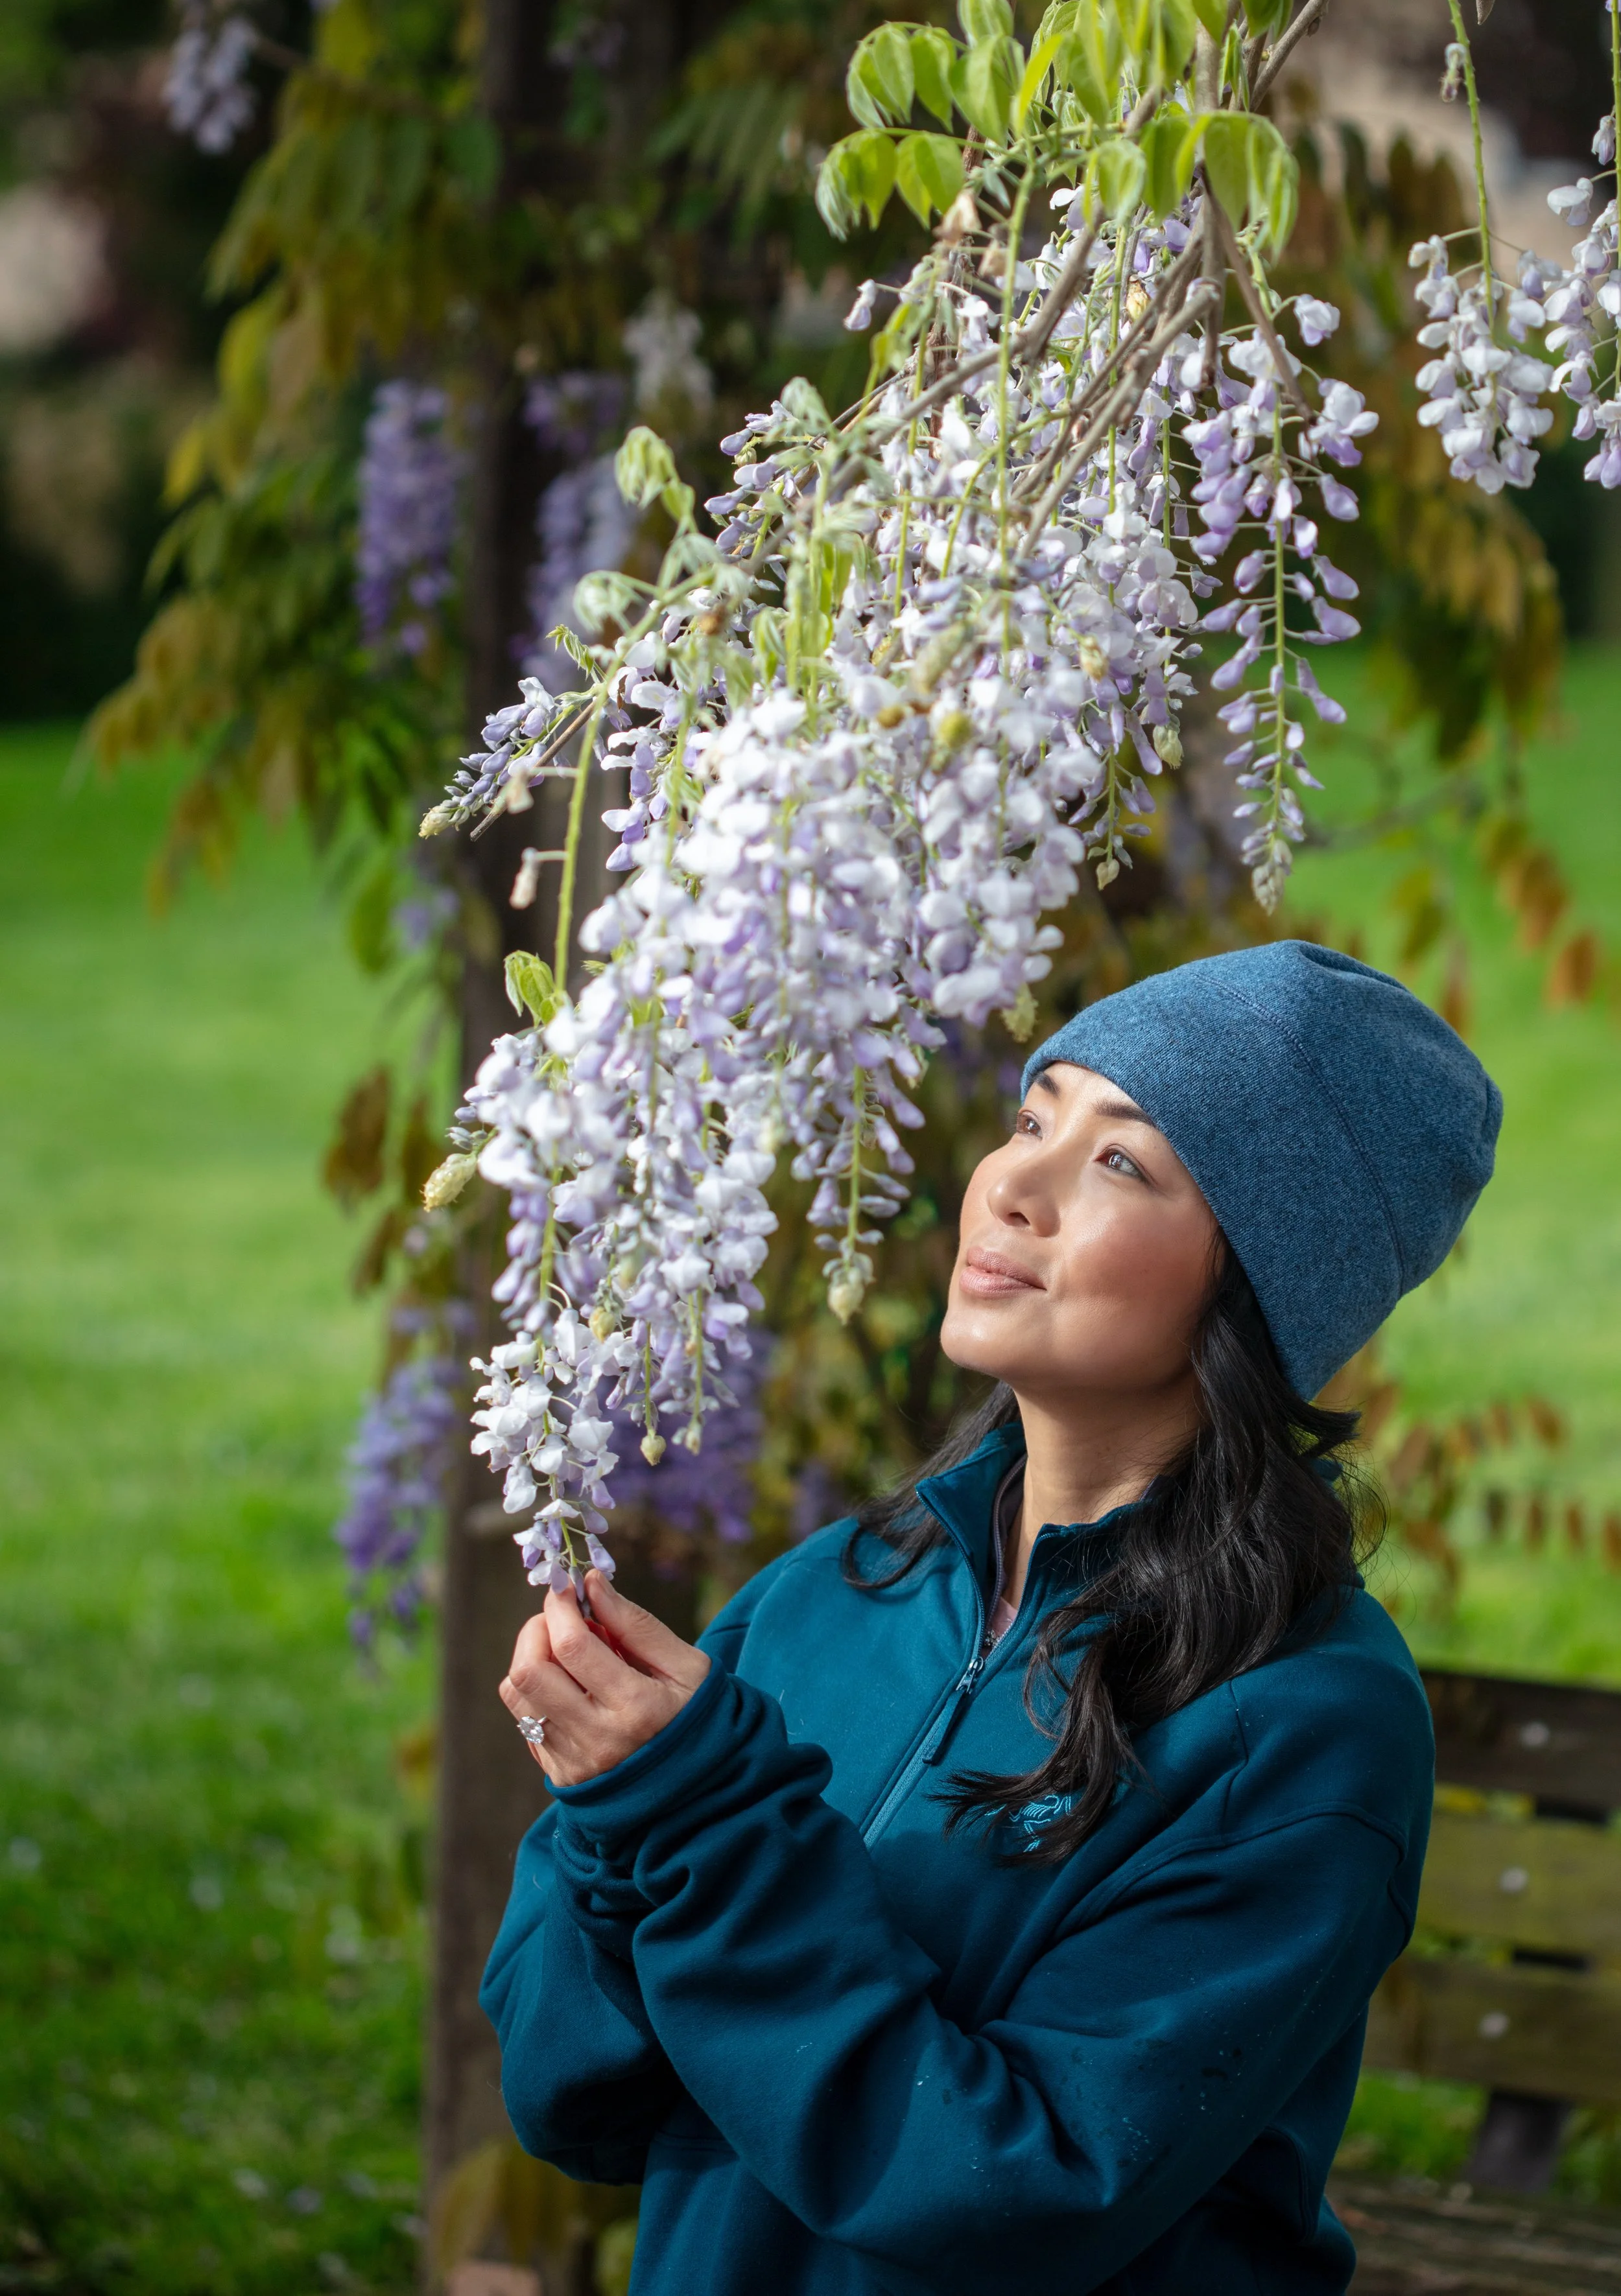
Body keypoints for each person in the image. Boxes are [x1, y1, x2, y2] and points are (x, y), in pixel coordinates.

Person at [480, 941, 1502, 2295]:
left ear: (1260, 1282)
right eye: (1033, 1119)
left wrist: (697, 1825)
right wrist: (624, 1820)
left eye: (1120, 1161)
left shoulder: (1300, 1727)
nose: (1009, 1186)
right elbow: (575, 2103)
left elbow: (1013, 2192)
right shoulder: (841, 1590)